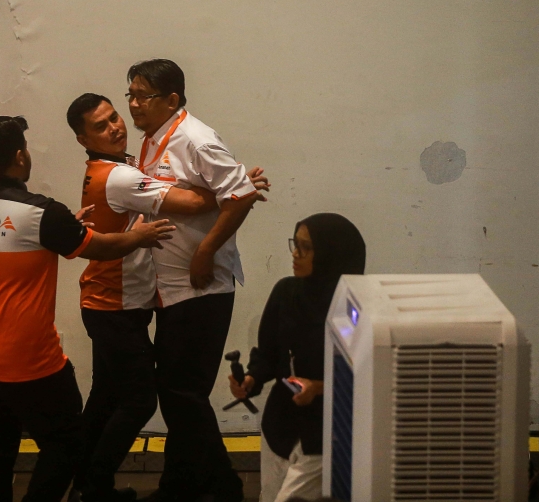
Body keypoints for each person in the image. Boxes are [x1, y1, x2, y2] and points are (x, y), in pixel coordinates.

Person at [0, 115, 175, 502]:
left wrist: (66, 226)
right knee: (66, 446)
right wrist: (137, 236)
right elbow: (100, 249)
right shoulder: (41, 213)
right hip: (30, 362)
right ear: (20, 157)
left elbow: (7, 241)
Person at [64, 94, 270, 502]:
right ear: (81, 137)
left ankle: (91, 484)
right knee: (144, 400)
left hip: (118, 303)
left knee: (117, 397)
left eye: (114, 116)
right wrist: (236, 184)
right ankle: (94, 486)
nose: (117, 125)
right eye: (101, 126)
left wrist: (235, 185)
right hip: (116, 305)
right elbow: (192, 202)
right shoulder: (121, 174)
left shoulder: (126, 161)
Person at [125, 59, 270, 502]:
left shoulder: (195, 138)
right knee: (177, 392)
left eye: (142, 96)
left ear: (172, 99)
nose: (133, 105)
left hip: (200, 286)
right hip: (168, 287)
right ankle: (185, 483)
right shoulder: (154, 140)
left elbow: (241, 194)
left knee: (182, 392)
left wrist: (205, 251)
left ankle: (219, 485)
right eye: (129, 95)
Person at [228, 214, 366, 502]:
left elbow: (365, 376)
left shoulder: (355, 308)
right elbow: (268, 355)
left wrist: (318, 387)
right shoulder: (286, 292)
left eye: (306, 248)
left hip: (328, 432)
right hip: (281, 425)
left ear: (330, 254)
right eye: (295, 244)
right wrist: (250, 380)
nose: (295, 254)